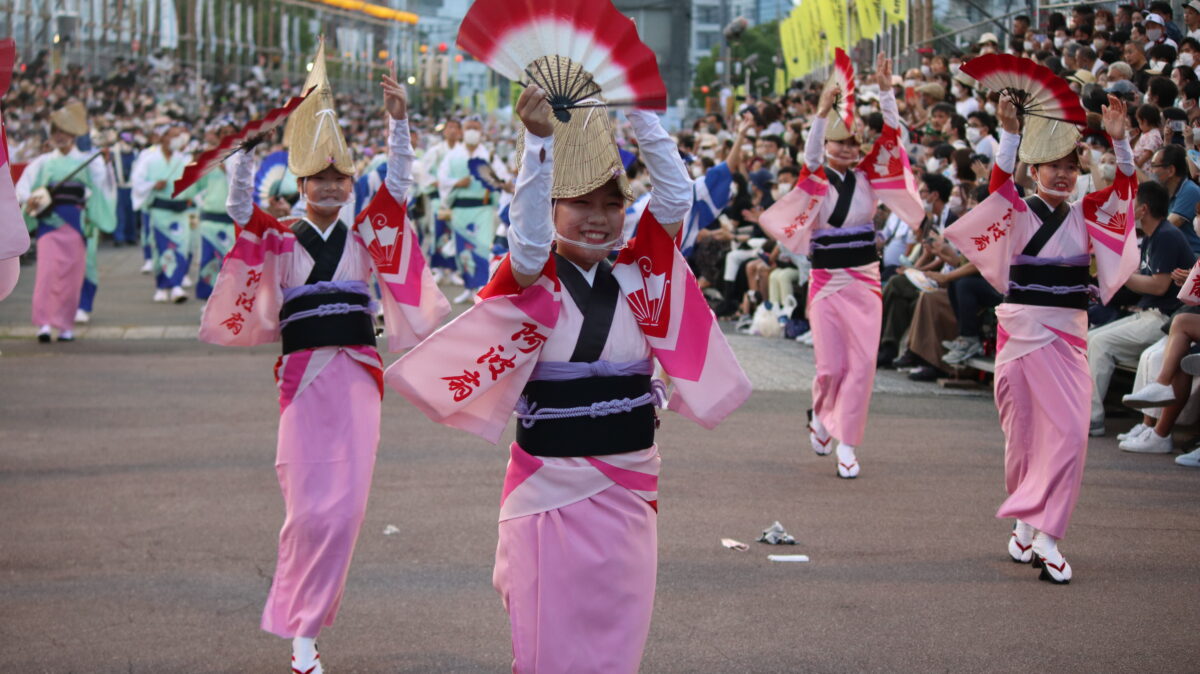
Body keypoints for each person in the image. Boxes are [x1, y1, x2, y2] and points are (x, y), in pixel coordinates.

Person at [386, 69, 750, 672]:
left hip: (629, 481)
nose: (598, 217)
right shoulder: (529, 277)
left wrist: (640, 109)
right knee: (546, 639)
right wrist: (538, 143)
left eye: (612, 204)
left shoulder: (641, 272)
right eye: (581, 203)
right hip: (547, 483)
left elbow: (676, 199)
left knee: (618, 635)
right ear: (552, 206)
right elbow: (530, 243)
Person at [198, 48, 448, 674]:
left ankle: (307, 631)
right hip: (303, 382)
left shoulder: (364, 236)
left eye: (340, 177)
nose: (331, 186)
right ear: (301, 184)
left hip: (357, 377)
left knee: (346, 512)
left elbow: (400, 189)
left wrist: (398, 124)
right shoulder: (281, 237)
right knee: (307, 511)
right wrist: (243, 156)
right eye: (319, 178)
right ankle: (300, 628)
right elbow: (239, 211)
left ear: (350, 183)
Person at [943, 94, 1138, 585]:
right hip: (1021, 335)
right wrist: (1009, 133)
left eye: (1071, 167)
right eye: (1053, 166)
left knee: (1071, 435)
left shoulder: (1086, 212)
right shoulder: (1015, 211)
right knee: (1024, 440)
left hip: (1068, 339)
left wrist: (1120, 142)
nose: (1064, 175)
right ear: (1034, 171)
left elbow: (1125, 195)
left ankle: (1048, 535)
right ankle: (1026, 521)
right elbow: (997, 189)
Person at [760, 53, 923, 478]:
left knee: (862, 366)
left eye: (853, 143)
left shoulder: (869, 177)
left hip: (865, 280)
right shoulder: (814, 179)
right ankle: (820, 413)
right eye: (840, 142)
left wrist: (886, 92)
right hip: (826, 281)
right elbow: (811, 154)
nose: (848, 149)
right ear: (828, 145)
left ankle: (847, 443)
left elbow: (894, 139)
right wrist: (820, 113)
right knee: (831, 367)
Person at [15, 102, 114, 342]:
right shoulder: (43, 162)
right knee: (47, 274)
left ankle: (65, 325)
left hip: (76, 224)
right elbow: (22, 189)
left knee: (72, 276)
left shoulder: (88, 161)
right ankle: (44, 324)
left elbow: (101, 187)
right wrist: (30, 200)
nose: (59, 136)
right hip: (50, 222)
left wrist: (106, 163)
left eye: (64, 131)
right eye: (56, 131)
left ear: (73, 134)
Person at [131, 123, 196, 303]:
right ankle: (161, 286)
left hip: (180, 211)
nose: (176, 139)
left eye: (178, 136)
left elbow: (194, 184)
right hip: (160, 210)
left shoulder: (184, 159)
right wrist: (153, 184)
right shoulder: (149, 159)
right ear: (162, 138)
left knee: (180, 247)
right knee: (161, 248)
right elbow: (137, 181)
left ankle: (176, 285)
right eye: (172, 135)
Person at [437, 116, 496, 303]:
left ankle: (480, 288)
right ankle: (468, 287)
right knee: (462, 249)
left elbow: (501, 181)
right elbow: (442, 179)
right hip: (461, 209)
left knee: (482, 249)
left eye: (475, 128)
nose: (472, 131)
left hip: (483, 209)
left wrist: (494, 182)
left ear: (481, 132)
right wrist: (457, 182)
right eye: (469, 127)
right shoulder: (452, 156)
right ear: (463, 131)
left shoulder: (489, 155)